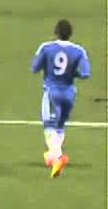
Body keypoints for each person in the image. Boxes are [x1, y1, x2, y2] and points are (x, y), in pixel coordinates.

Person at [31, 19, 91, 178]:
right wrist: (73, 73)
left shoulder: (46, 48)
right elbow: (86, 73)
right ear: (70, 34)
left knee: (49, 126)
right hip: (69, 94)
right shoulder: (79, 50)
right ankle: (52, 156)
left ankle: (57, 158)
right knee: (60, 126)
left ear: (55, 32)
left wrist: (47, 66)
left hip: (53, 92)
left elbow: (34, 68)